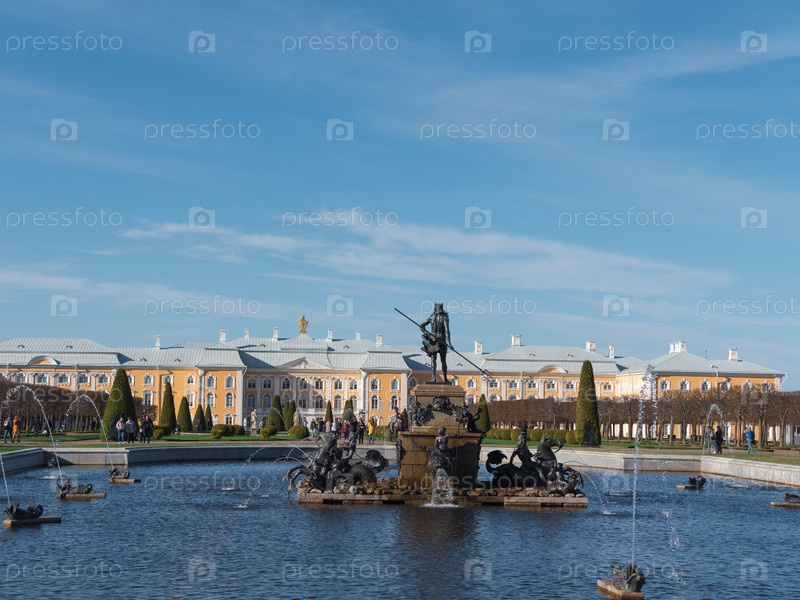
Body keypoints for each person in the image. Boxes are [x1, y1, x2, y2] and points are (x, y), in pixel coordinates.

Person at [419, 302, 452, 383]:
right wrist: (449, 343)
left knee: (433, 360)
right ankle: (445, 379)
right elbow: (447, 331)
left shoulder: (432, 317)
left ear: (435, 309)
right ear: (442, 309)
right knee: (443, 360)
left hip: (433, 341)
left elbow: (421, 325)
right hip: (442, 340)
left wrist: (426, 333)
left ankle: (433, 378)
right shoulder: (445, 317)